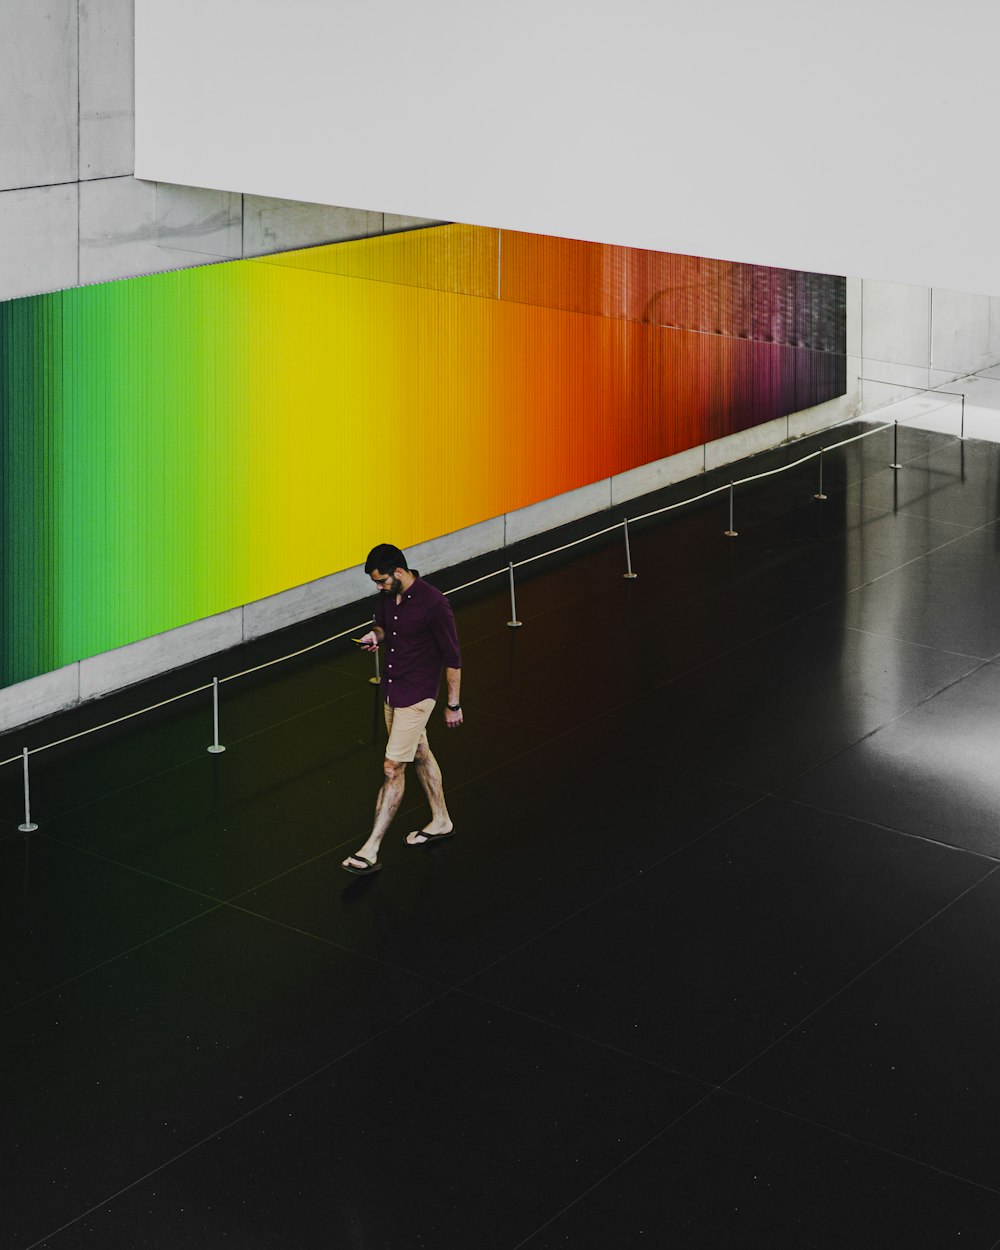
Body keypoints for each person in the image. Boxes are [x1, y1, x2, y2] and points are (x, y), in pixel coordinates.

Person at [342, 543, 463, 875]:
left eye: (381, 581)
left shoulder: (435, 604)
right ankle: (441, 820)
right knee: (420, 751)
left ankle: (371, 848)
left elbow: (453, 658)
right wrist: (374, 636)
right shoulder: (386, 597)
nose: (378, 588)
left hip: (418, 695)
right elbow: (383, 627)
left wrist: (453, 704)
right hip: (392, 690)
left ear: (398, 572)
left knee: (392, 767)